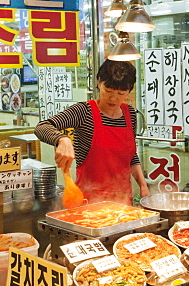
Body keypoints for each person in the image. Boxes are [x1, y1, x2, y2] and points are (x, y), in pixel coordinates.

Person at [35, 60, 149, 204]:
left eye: (120, 93)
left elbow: (131, 157)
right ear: (99, 82)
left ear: (129, 90)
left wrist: (143, 186)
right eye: (108, 90)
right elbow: (42, 126)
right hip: (89, 202)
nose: (113, 98)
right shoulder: (84, 112)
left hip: (123, 201)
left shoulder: (130, 115)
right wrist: (62, 139)